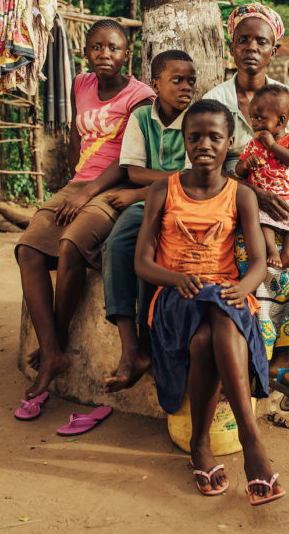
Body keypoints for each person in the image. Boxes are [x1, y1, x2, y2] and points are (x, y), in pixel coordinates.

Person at [135, 99, 285, 505]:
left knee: (209, 334)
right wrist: (177, 277)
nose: (204, 144)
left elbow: (257, 263)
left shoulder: (241, 195)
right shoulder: (161, 190)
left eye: (214, 137)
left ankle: (200, 445)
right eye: (195, 136)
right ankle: (251, 440)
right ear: (183, 141)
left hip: (224, 295)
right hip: (175, 296)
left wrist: (245, 287)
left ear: (229, 142)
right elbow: (143, 262)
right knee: (219, 306)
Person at [204, 3, 289, 408]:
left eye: (260, 41)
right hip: (236, 194)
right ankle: (260, 358)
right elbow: (209, 163)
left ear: (274, 49)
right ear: (231, 45)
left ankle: (287, 358)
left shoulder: (288, 99)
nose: (251, 48)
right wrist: (254, 194)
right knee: (252, 253)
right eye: (243, 39)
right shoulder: (218, 100)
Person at [15, 19, 155, 403]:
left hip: (116, 187)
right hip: (79, 185)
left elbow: (130, 157)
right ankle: (54, 349)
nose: (104, 55)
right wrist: (74, 186)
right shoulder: (80, 84)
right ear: (86, 50)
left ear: (127, 53)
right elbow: (76, 139)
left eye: (113, 48)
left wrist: (88, 193)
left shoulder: (140, 97)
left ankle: (51, 350)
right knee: (27, 248)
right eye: (97, 47)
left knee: (71, 246)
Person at [101, 49, 196, 392]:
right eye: (177, 80)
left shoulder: (196, 120)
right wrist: (148, 189)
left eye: (190, 81)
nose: (186, 87)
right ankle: (130, 349)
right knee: (117, 245)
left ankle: (149, 345)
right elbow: (134, 170)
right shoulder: (142, 117)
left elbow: (193, 177)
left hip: (187, 205)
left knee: (153, 255)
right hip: (150, 202)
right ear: (155, 83)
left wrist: (138, 193)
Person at [235, 84, 289, 270]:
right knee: (260, 220)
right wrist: (246, 164)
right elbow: (238, 170)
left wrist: (273, 146)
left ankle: (288, 254)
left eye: (260, 118)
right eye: (252, 118)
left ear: (281, 120)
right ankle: (272, 250)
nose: (255, 123)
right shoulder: (253, 145)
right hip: (263, 199)